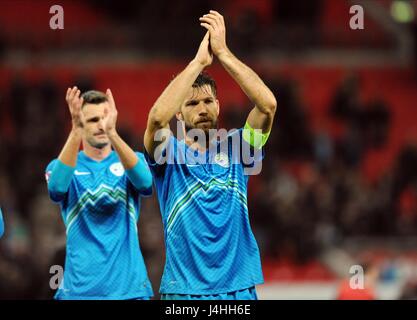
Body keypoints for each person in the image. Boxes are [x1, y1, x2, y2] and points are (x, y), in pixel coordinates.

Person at [144, 11, 277, 300]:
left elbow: (267, 105)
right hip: (184, 292)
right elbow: (156, 120)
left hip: (237, 288)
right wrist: (198, 63)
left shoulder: (240, 148)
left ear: (218, 104)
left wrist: (223, 53)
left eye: (207, 101)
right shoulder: (168, 155)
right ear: (179, 113)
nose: (202, 108)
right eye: (192, 103)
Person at [45, 87, 153, 300]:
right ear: (79, 122)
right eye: (93, 119)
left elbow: (145, 183)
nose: (101, 125)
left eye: (105, 118)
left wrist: (113, 133)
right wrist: (75, 132)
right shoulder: (62, 166)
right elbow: (56, 189)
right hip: (79, 292)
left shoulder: (133, 160)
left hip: (129, 291)